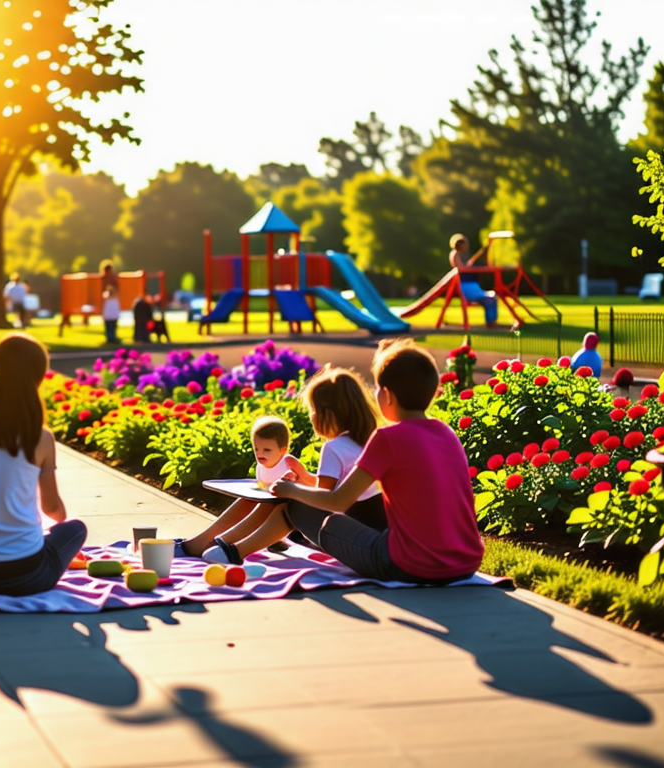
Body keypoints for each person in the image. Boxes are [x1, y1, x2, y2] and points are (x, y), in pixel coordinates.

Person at [272, 339, 485, 584]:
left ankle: (234, 549)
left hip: (407, 564)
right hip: (465, 564)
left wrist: (293, 489)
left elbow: (338, 501)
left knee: (299, 508)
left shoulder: (387, 438)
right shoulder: (447, 434)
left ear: (387, 395)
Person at [180, 367, 380, 562]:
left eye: (313, 410)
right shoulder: (367, 442)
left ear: (327, 413)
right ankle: (216, 542)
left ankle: (228, 547)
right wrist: (302, 476)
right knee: (277, 496)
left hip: (352, 535)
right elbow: (335, 490)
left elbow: (325, 501)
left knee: (287, 503)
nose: (312, 417)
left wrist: (292, 490)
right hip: (371, 527)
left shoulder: (334, 447)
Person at [0, 333, 87, 595]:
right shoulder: (40, 438)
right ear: (37, 378)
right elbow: (53, 509)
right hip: (23, 577)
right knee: (75, 530)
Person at [449, 234, 498, 328]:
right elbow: (461, 268)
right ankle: (490, 322)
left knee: (492, 297)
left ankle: (492, 321)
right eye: (465, 244)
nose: (467, 246)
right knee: (489, 299)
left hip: (473, 286)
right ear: (460, 244)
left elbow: (467, 266)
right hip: (466, 286)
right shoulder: (455, 254)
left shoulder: (461, 255)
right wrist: (472, 267)